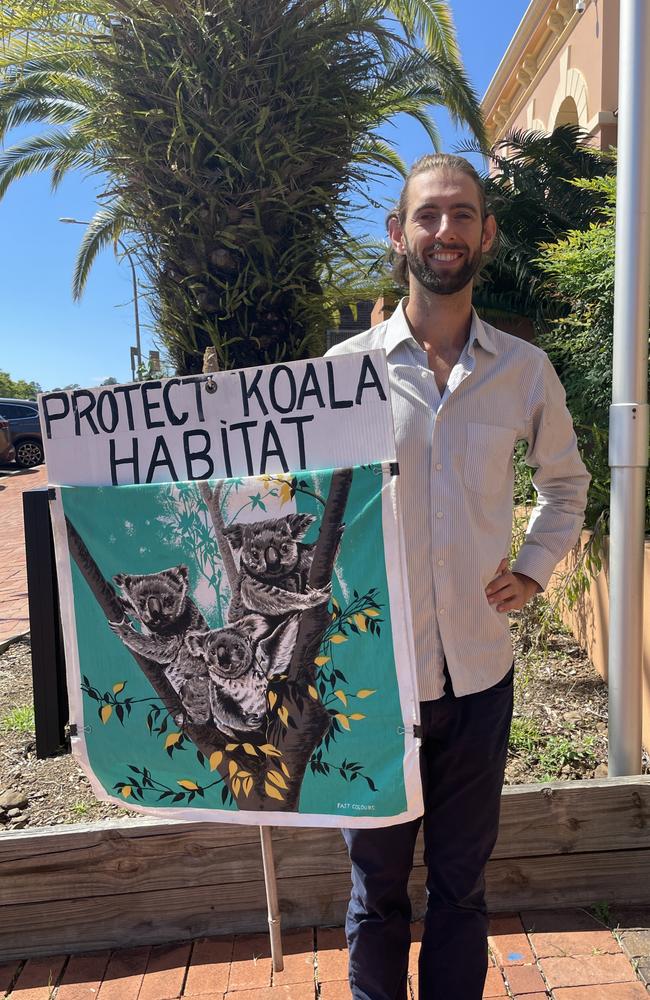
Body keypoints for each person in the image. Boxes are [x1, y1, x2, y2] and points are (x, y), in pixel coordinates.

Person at [325, 153, 590, 1000]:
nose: (446, 231)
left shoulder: (524, 371)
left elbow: (567, 483)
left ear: (487, 233)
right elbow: (283, 504)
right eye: (428, 215)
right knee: (375, 895)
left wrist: (536, 570)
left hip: (479, 675)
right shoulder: (342, 372)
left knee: (461, 890)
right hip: (372, 682)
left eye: (463, 215)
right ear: (398, 234)